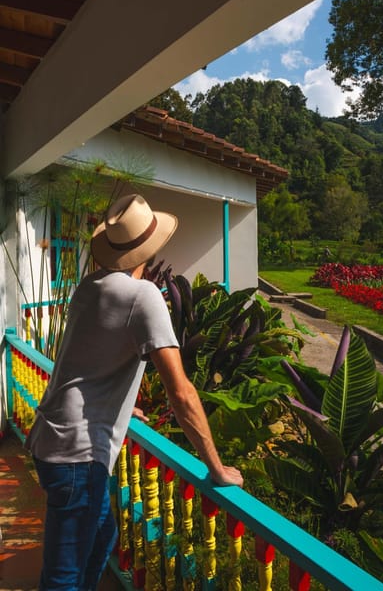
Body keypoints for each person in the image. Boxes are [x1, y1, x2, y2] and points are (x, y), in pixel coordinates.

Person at [26, 194, 243, 591]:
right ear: (152, 247)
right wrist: (216, 467)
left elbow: (84, 362)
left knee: (101, 540)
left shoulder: (89, 286)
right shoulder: (142, 296)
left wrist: (124, 408)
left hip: (50, 438)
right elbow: (181, 393)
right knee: (63, 576)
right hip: (79, 455)